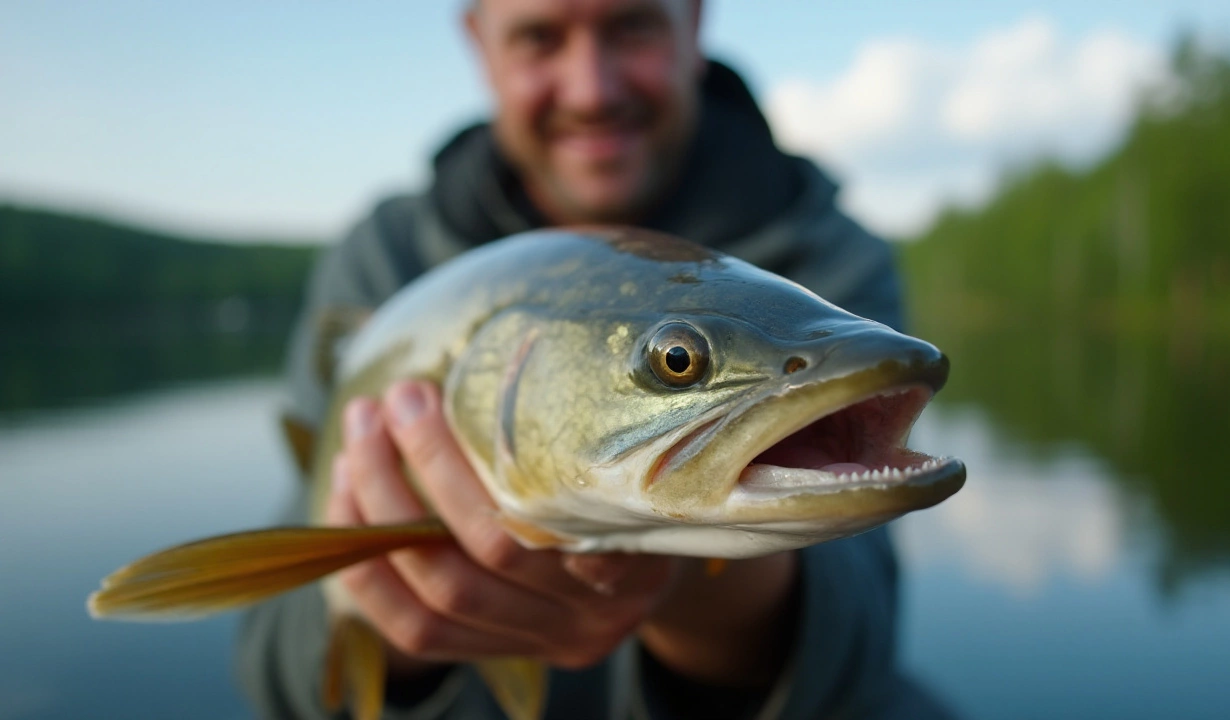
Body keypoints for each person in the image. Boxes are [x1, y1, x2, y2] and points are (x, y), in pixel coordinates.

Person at [239, 1, 955, 718]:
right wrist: (400, 630)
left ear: (695, 26)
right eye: (539, 36)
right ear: (480, 45)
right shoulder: (382, 260)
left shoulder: (827, 257)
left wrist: (701, 592)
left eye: (632, 24)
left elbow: (865, 649)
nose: (592, 89)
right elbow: (276, 677)